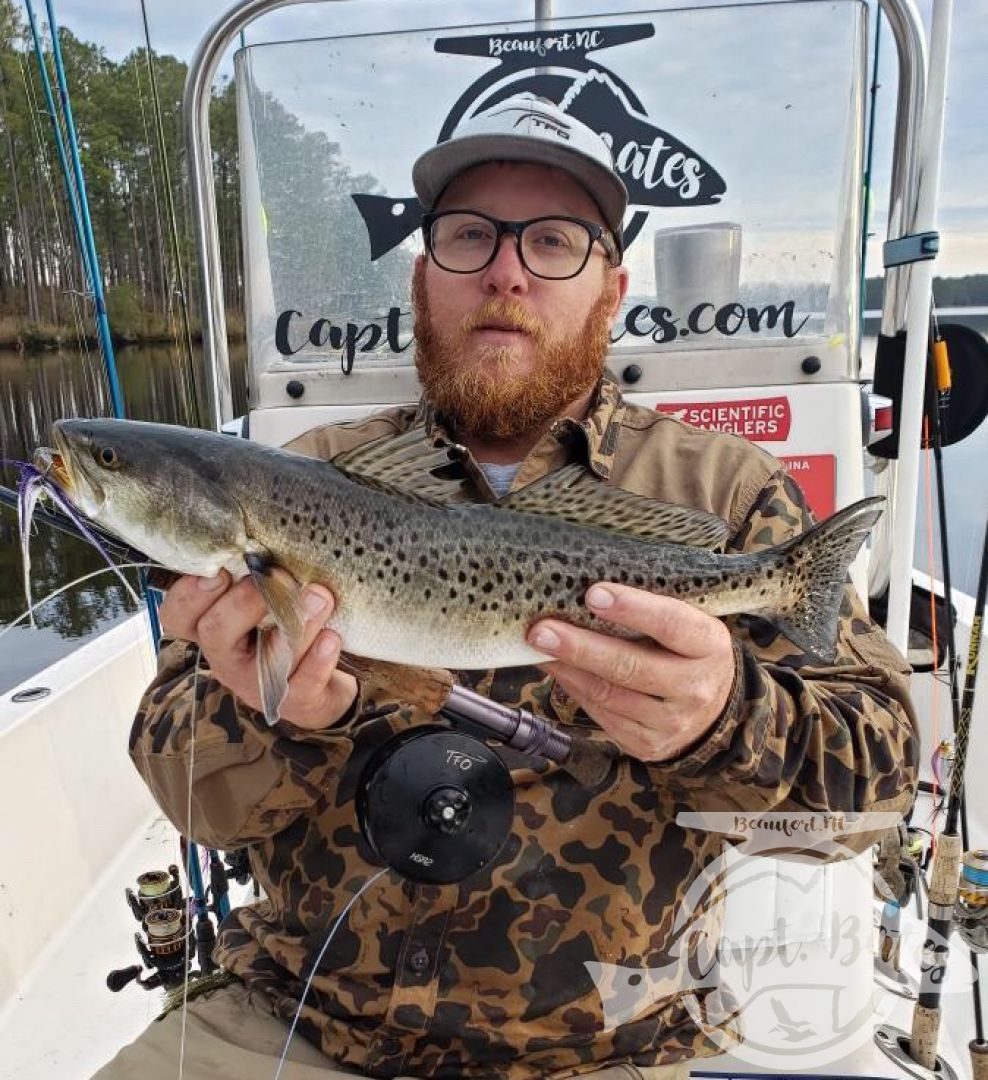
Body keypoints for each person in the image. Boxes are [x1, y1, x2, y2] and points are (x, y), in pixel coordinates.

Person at [97, 94, 918, 1080]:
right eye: (469, 235)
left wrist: (725, 716)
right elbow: (186, 790)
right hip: (305, 1022)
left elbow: (872, 802)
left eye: (554, 241)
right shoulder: (303, 478)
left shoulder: (725, 495)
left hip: (611, 1046)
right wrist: (275, 715)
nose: (506, 270)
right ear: (422, 274)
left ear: (611, 289)